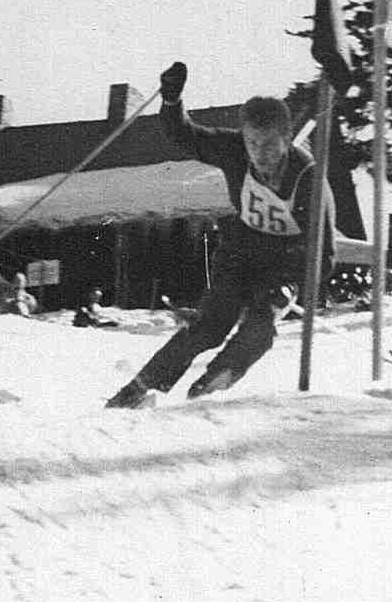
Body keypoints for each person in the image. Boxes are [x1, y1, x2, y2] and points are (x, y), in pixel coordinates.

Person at [106, 62, 330, 408]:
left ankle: (211, 384)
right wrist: (171, 100)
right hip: (240, 254)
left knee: (260, 325)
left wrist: (294, 284)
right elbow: (185, 135)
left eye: (270, 145)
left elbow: (323, 255)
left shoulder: (309, 180)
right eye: (253, 143)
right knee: (209, 326)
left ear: (288, 140)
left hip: (284, 263)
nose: (261, 155)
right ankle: (139, 389)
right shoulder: (234, 150)